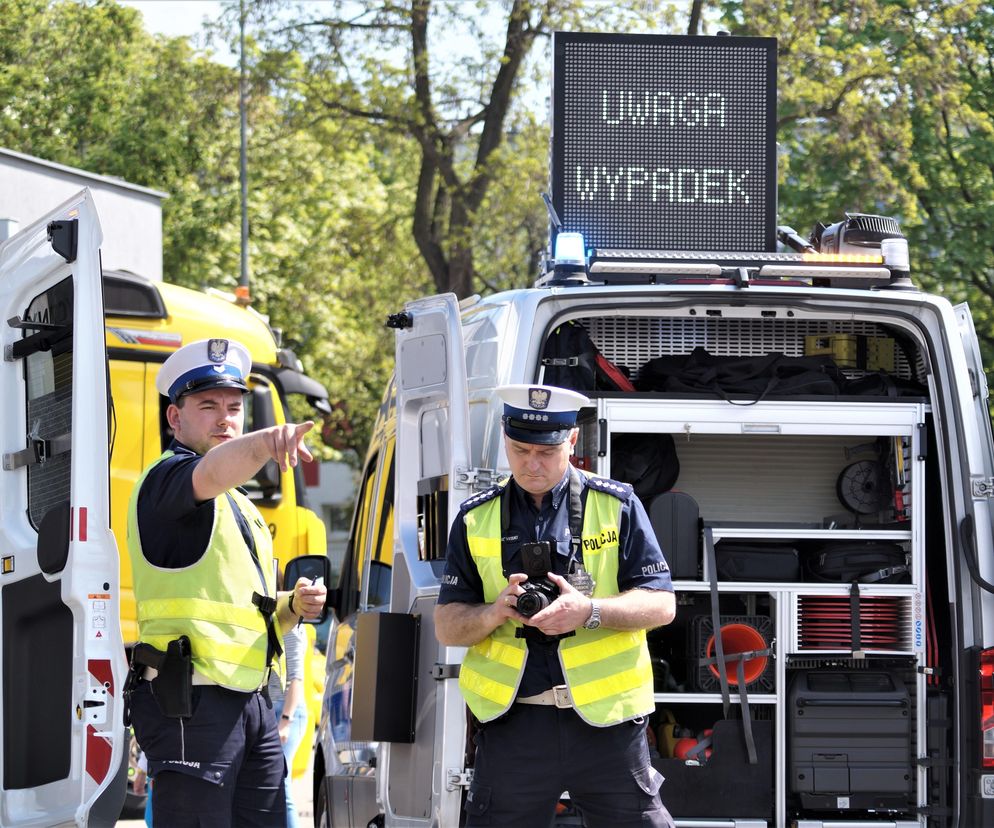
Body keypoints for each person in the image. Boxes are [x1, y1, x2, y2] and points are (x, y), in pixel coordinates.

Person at [434, 384, 677, 828]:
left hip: (607, 726)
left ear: (572, 441)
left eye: (546, 452)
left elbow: (662, 605)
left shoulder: (617, 504)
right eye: (520, 449)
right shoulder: (474, 517)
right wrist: (495, 611)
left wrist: (590, 612)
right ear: (505, 439)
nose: (532, 463)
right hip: (514, 725)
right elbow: (447, 626)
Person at [125, 338, 327, 828]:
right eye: (208, 406)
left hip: (248, 701)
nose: (225, 419)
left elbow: (243, 609)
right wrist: (266, 443)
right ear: (175, 418)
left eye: (234, 408)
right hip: (192, 704)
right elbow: (212, 469)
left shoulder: (238, 502)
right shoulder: (169, 480)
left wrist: (292, 605)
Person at [268, 573, 309, 828]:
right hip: (271, 710)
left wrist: (285, 720)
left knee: (280, 782)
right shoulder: (268, 618)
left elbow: (296, 678)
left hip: (286, 711)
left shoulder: (290, 622)